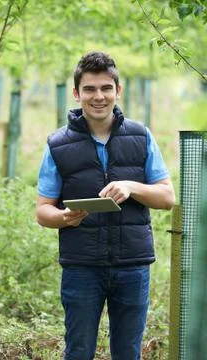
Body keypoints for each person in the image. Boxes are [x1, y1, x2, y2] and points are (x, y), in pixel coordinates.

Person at [36, 51, 175, 360]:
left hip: (133, 266)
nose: (98, 96)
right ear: (76, 93)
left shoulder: (141, 136)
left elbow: (167, 198)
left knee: (127, 353)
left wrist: (131, 186)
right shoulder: (57, 144)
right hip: (81, 267)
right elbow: (42, 210)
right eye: (89, 89)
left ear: (117, 91)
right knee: (79, 351)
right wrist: (63, 217)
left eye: (105, 88)